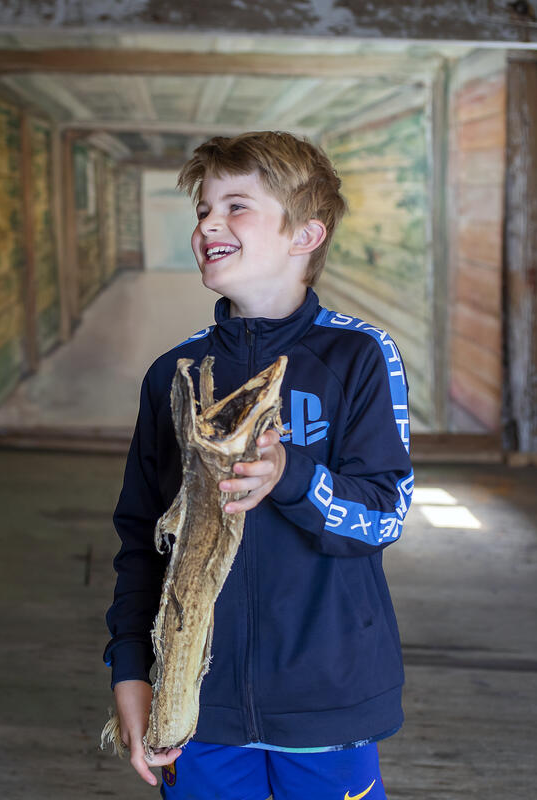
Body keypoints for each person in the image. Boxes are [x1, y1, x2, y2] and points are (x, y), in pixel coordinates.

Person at [103, 131, 413, 800]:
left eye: (235, 206)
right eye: (203, 210)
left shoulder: (360, 357)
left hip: (326, 699)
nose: (208, 225)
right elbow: (141, 540)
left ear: (305, 235)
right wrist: (131, 669)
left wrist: (289, 477)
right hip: (196, 702)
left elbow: (385, 516)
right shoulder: (174, 374)